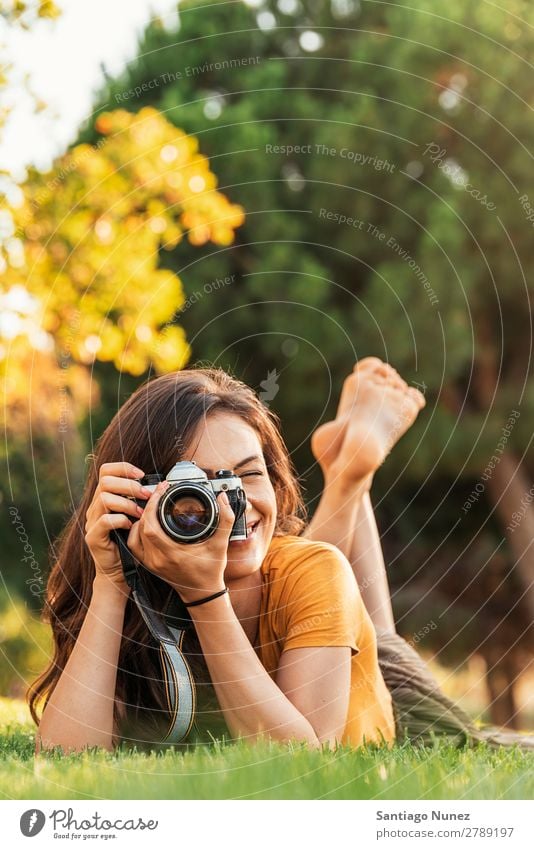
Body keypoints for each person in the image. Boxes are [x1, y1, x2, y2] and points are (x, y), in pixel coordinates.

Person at [28, 358, 531, 752]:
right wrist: (112, 581)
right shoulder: (133, 591)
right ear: (142, 498)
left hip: (392, 704)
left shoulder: (311, 568)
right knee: (353, 611)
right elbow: (69, 757)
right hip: (315, 638)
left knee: (364, 622)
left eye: (247, 475)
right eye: (196, 488)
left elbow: (302, 763)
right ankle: (350, 474)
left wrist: (204, 594)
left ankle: (352, 475)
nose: (230, 505)